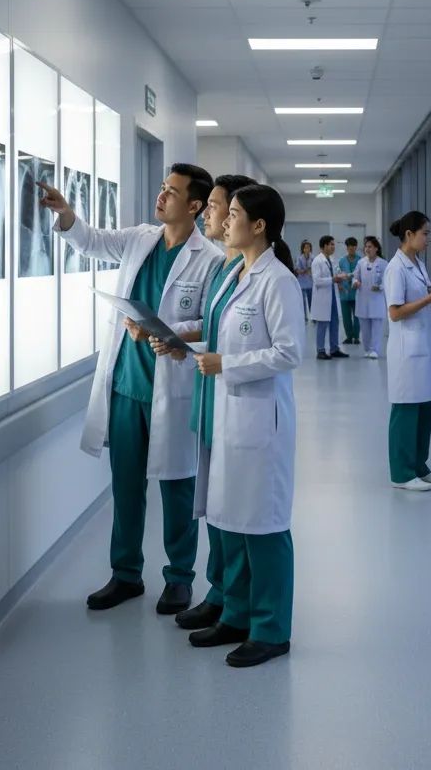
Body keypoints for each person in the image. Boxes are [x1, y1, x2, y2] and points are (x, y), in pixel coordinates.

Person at [39, 164, 223, 614]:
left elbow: (210, 324)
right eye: (162, 188)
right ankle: (125, 575)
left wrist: (164, 330)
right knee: (125, 487)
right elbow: (92, 241)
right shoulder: (141, 238)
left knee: (178, 488)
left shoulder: (211, 258)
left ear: (195, 206)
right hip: (126, 386)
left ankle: (179, 578)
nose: (161, 196)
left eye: (172, 192)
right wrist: (66, 214)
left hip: (172, 390)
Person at [191, 185, 305, 667]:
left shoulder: (277, 281)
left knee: (263, 525)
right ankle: (236, 616)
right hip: (230, 413)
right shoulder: (235, 274)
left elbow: (289, 352)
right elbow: (211, 329)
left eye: (233, 213)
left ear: (258, 226)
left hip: (260, 421)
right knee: (231, 519)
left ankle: (272, 629)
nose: (224, 220)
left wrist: (227, 363)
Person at [148, 173, 256, 632]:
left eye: (217, 207)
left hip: (240, 403)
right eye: (210, 205)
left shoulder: (255, 273)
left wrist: (198, 348)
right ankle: (219, 592)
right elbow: (213, 327)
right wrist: (178, 341)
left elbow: (279, 349)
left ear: (241, 216)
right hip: (210, 397)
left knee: (235, 509)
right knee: (213, 504)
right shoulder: (229, 270)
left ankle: (234, 600)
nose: (209, 214)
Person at [384, 211, 431, 491]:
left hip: (423, 347)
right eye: (425, 233)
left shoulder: (417, 264)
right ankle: (401, 473)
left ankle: (419, 466)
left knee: (425, 409)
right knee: (406, 412)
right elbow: (395, 312)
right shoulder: (396, 268)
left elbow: (421, 299)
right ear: (409, 235)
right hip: (406, 351)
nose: (428, 239)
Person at [311, 235, 349, 360]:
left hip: (332, 295)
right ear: (324, 246)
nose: (333, 247)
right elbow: (317, 281)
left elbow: (335, 274)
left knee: (335, 322)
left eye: (333, 244)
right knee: (322, 324)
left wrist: (341, 279)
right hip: (323, 297)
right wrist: (333, 279)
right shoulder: (317, 261)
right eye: (331, 244)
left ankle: (334, 349)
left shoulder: (331, 260)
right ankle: (320, 350)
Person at [353, 235, 387, 359]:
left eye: (370, 247)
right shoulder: (361, 262)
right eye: (366, 247)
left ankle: (375, 350)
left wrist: (381, 287)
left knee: (376, 328)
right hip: (363, 299)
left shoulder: (383, 263)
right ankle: (367, 349)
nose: (367, 249)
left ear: (376, 248)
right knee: (365, 328)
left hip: (377, 300)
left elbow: (387, 281)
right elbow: (355, 276)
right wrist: (355, 282)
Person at [337, 236, 361, 346]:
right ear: (346, 248)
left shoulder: (361, 260)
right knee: (346, 317)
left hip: (356, 292)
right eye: (349, 248)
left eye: (353, 247)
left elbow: (362, 276)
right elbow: (337, 275)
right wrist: (339, 284)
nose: (351, 250)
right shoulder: (341, 261)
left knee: (357, 317)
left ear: (356, 247)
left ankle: (356, 337)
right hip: (344, 293)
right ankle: (348, 336)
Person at [295, 241, 314, 321]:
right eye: (305, 247)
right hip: (301, 283)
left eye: (308, 247)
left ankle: (313, 317)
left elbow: (313, 269)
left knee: (311, 301)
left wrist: (305, 271)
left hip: (310, 283)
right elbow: (297, 270)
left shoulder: (313, 258)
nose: (307, 249)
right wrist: (306, 270)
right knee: (302, 302)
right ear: (303, 249)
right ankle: (304, 317)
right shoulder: (299, 258)